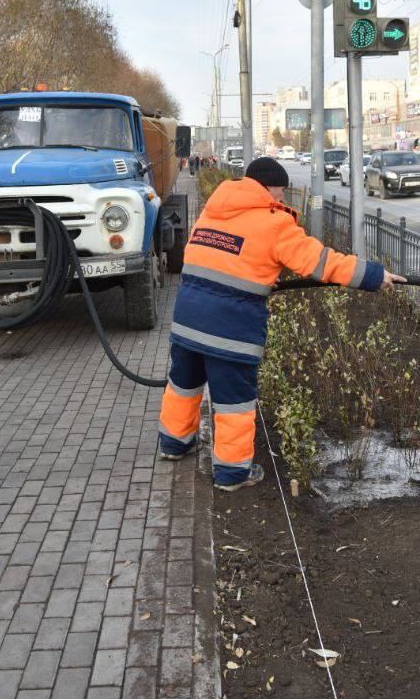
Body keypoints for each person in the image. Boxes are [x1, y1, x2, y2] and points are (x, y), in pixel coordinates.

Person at [158, 157, 405, 491]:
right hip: (230, 330)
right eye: (281, 191)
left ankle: (174, 444)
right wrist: (374, 275)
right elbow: (320, 263)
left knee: (183, 384)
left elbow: (227, 259)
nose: (283, 199)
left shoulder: (214, 209)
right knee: (234, 401)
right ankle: (232, 473)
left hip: (187, 319)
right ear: (269, 186)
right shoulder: (273, 222)